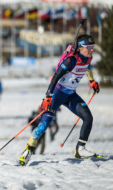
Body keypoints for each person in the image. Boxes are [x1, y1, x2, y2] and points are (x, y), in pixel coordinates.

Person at [19, 34, 100, 166]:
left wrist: (92, 81)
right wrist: (48, 96)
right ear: (80, 47)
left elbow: (88, 67)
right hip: (57, 94)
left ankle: (80, 149)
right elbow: (56, 76)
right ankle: (27, 151)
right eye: (89, 47)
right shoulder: (71, 60)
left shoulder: (88, 57)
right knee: (45, 123)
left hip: (70, 95)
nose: (91, 49)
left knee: (88, 117)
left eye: (93, 47)